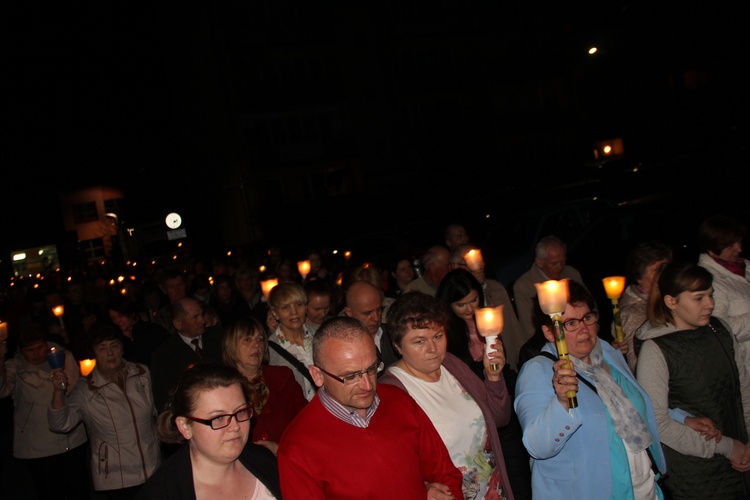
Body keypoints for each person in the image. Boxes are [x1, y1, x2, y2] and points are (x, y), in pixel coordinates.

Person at [277, 316, 463, 499]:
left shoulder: (398, 400)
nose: (367, 385)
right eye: (350, 376)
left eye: (372, 369)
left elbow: (446, 474)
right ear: (317, 375)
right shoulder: (297, 446)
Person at [514, 280, 667, 499]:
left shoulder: (608, 353)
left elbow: (639, 407)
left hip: (646, 489)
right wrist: (562, 402)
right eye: (570, 324)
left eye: (587, 318)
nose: (584, 329)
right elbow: (537, 446)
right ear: (549, 332)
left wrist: (682, 417)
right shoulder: (538, 370)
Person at [379, 291, 515, 500]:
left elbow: (500, 419)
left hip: (494, 492)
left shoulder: (452, 364)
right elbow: (392, 465)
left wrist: (493, 377)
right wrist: (424, 487)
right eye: (419, 341)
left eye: (438, 336)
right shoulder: (392, 391)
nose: (432, 348)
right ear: (398, 346)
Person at [636, 260, 750, 499]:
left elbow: (743, 392)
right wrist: (728, 448)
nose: (710, 304)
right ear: (671, 302)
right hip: (695, 473)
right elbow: (658, 422)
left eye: (711, 295)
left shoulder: (720, 330)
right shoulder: (656, 350)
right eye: (699, 298)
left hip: (741, 461)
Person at [48, 322, 162, 499]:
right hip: (116, 478)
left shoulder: (142, 374)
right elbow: (60, 424)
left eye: (114, 346)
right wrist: (57, 391)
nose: (110, 353)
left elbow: (159, 412)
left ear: (122, 348)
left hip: (153, 469)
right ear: (93, 353)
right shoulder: (86, 390)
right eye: (102, 348)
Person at [135, 363, 282, 499]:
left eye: (241, 412)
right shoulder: (161, 493)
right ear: (185, 426)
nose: (235, 426)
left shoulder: (264, 460)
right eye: (218, 418)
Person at [0, 324, 89, 500]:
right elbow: (2, 389)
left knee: (78, 491)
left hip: (72, 440)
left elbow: (78, 388)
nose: (36, 353)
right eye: (30, 350)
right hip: (38, 447)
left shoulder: (63, 357)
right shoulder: (15, 366)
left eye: (40, 347)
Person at [222, 316, 307, 455]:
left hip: (285, 460)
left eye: (260, 339)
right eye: (247, 340)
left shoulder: (282, 376)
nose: (256, 345)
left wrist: (283, 450)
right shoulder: (223, 386)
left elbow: (305, 421)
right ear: (231, 345)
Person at [450, 243, 525, 373]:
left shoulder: (495, 288)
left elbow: (513, 327)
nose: (478, 268)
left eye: (480, 262)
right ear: (456, 267)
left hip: (506, 360)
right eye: (471, 264)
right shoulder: (452, 296)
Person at [150, 297, 224, 413]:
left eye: (202, 314)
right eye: (195, 317)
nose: (202, 320)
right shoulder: (164, 355)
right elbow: (164, 399)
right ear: (178, 324)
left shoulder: (218, 338)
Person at [512, 235, 587, 347]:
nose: (560, 267)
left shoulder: (572, 274)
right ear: (539, 262)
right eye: (554, 264)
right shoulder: (524, 286)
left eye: (563, 262)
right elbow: (529, 328)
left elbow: (590, 306)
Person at [696, 215, 750, 359]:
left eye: (739, 241)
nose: (739, 248)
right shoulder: (707, 281)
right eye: (731, 245)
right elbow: (717, 328)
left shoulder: (745, 266)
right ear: (712, 249)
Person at [616, 240, 673, 372]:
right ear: (639, 276)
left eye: (666, 268)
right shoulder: (632, 314)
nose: (663, 274)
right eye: (656, 270)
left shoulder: (670, 300)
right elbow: (638, 365)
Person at [266, 283, 316, 401]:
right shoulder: (270, 350)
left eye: (299, 305)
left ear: (306, 307)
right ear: (275, 313)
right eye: (285, 307)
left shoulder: (320, 334)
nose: (294, 312)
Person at [343, 280, 400, 370]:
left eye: (379, 310)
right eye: (367, 313)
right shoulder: (341, 344)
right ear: (349, 312)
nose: (376, 318)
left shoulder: (395, 333)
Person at [107, 295, 170, 367]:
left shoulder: (153, 331)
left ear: (131, 313)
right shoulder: (116, 339)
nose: (117, 321)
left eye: (120, 316)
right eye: (113, 318)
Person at [154, 269, 189, 334]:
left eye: (179, 285)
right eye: (172, 287)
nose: (177, 290)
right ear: (164, 290)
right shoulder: (162, 315)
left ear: (185, 285)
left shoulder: (198, 307)